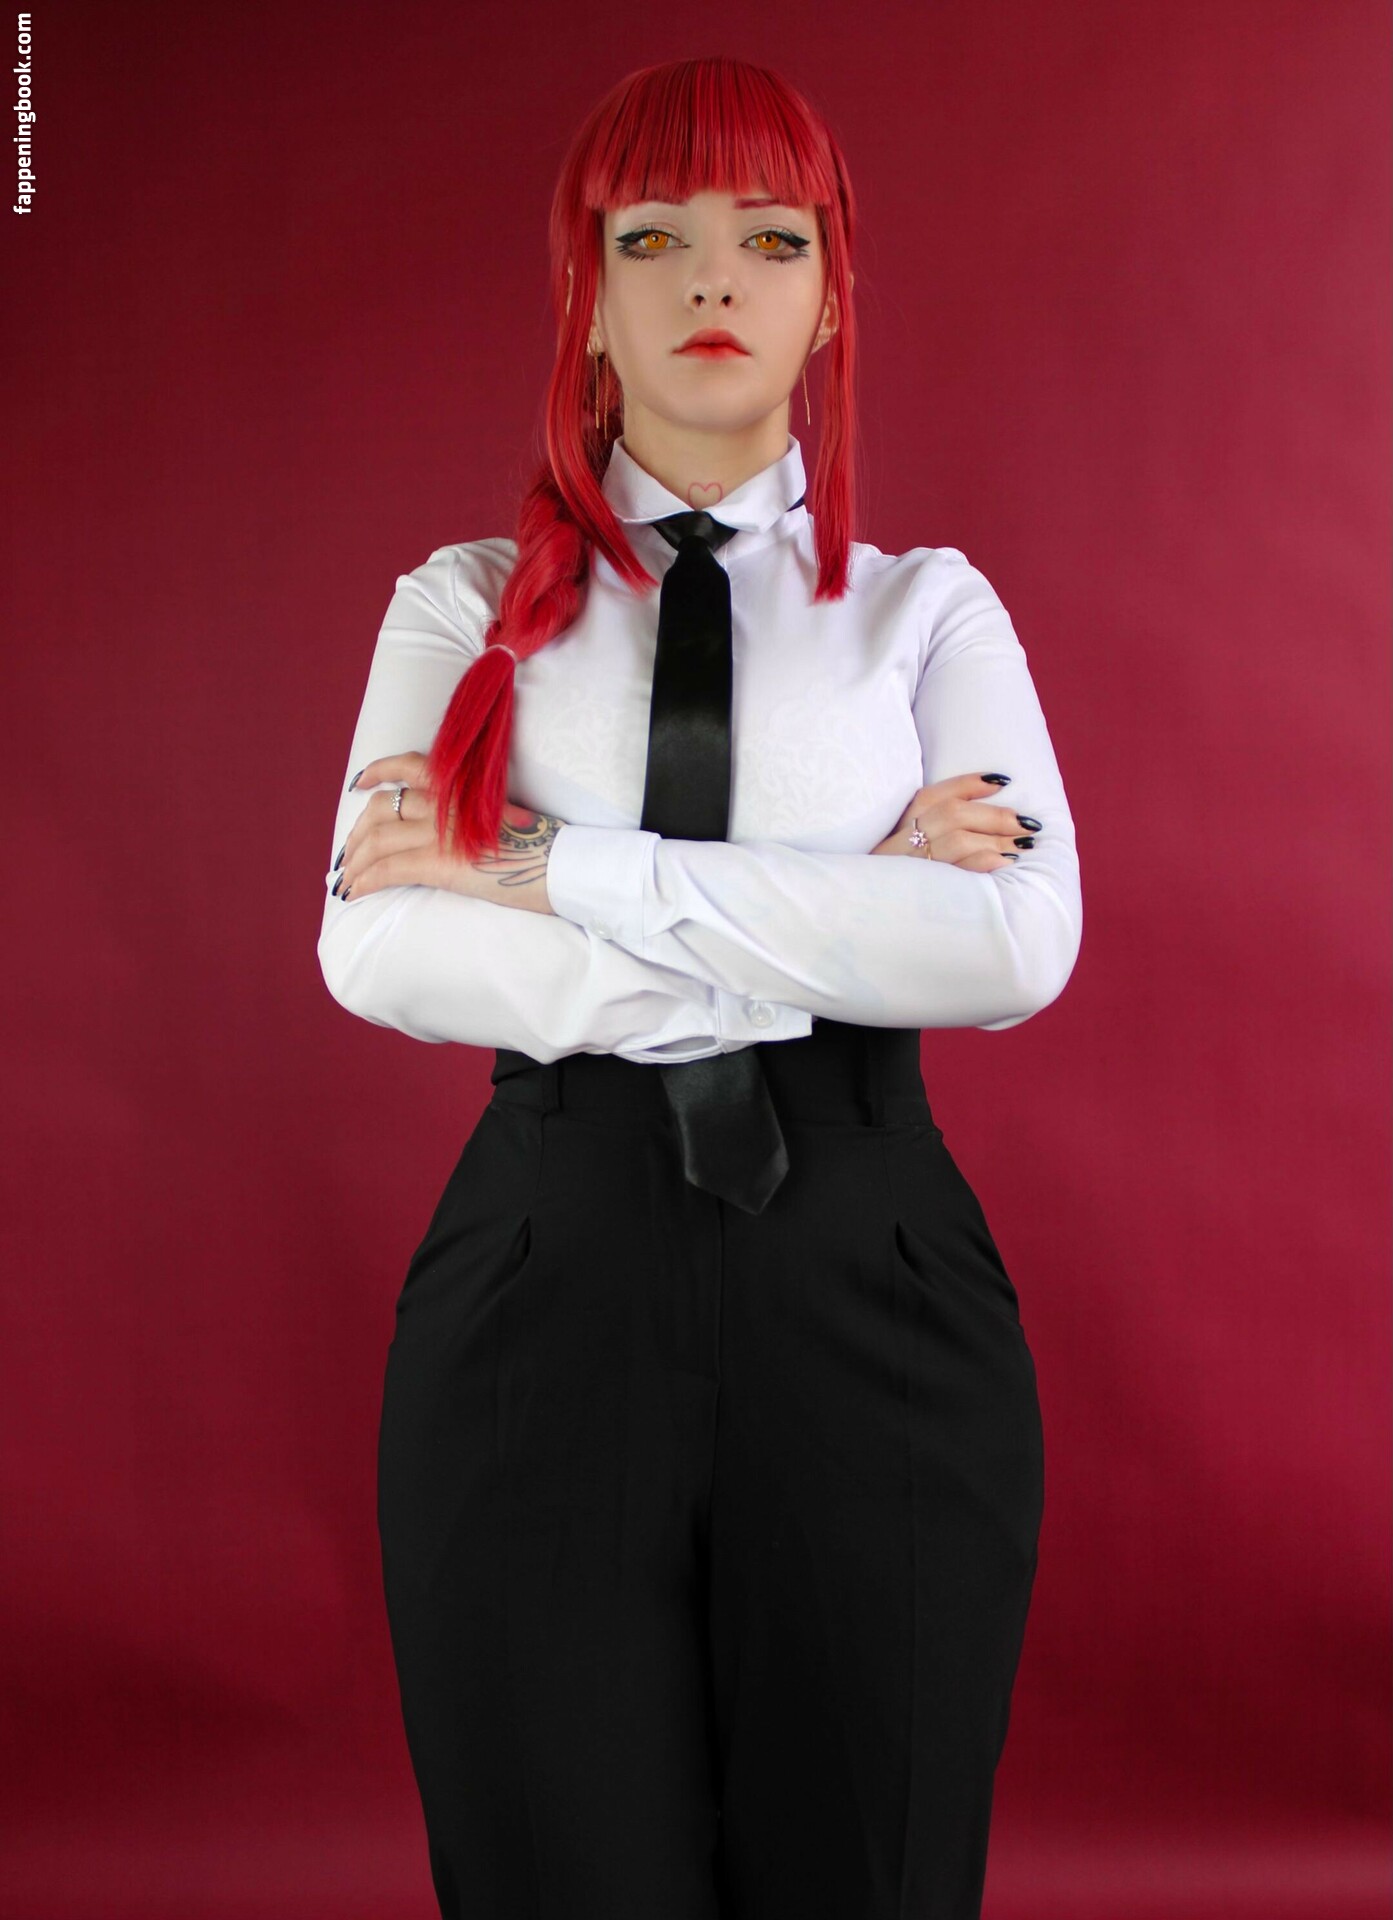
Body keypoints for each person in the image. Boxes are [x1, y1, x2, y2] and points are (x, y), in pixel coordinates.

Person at [318, 53, 1082, 1920]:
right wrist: (834, 914)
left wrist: (549, 869)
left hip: (873, 1284)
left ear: (831, 297)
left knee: (870, 1868)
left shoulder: (928, 611)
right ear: (584, 297)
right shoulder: (458, 605)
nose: (714, 280)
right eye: (650, 239)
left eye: (770, 239)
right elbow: (378, 942)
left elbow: (1007, 945)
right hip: (543, 1277)